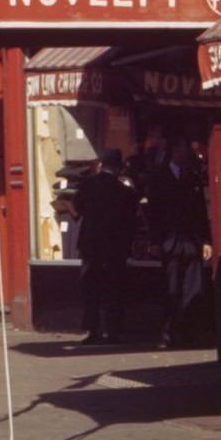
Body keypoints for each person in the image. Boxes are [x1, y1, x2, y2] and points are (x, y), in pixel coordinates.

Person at [146, 135, 212, 349]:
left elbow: (201, 210)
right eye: (183, 149)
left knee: (194, 289)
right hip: (171, 241)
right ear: (175, 151)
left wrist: (206, 240)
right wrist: (155, 241)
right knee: (171, 289)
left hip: (191, 241)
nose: (186, 154)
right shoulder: (159, 177)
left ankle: (187, 332)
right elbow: (153, 212)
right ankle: (168, 333)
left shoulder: (192, 177)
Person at [73, 147, 138, 345]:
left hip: (92, 245)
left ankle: (93, 330)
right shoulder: (125, 191)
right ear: (118, 168)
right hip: (115, 246)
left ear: (101, 165)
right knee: (114, 289)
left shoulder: (87, 185)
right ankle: (113, 331)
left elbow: (78, 208)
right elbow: (131, 220)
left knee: (92, 288)